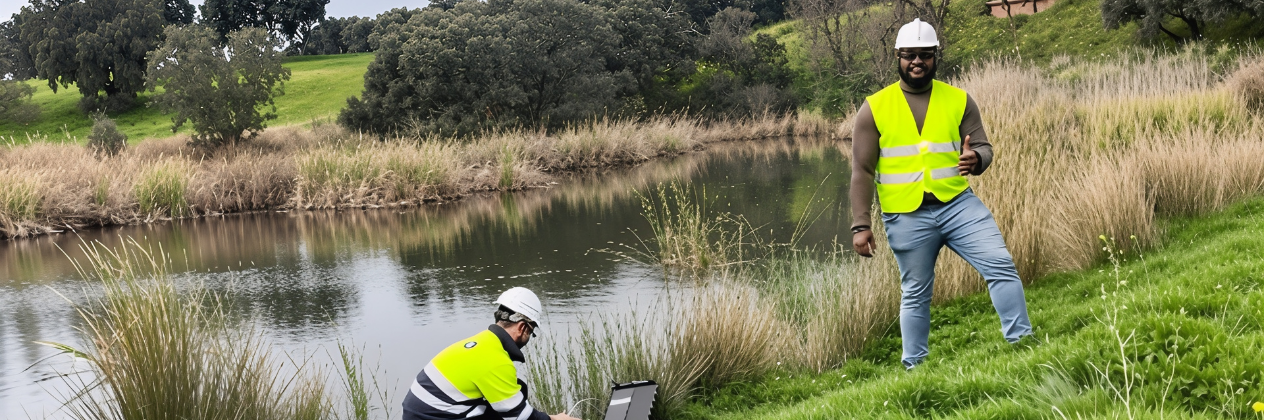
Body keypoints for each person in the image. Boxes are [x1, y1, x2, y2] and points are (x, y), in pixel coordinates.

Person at [848, 18, 1037, 370]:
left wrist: (976, 158)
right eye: (909, 55)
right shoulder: (874, 107)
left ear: (936, 56)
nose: (917, 61)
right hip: (906, 215)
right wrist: (861, 226)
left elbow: (984, 147)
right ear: (897, 56)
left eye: (925, 54)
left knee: (1001, 266)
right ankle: (914, 369)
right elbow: (862, 171)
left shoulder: (960, 100)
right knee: (915, 293)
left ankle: (1023, 344)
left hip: (958, 206)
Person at [402, 287, 580, 420]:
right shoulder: (496, 360)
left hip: (424, 415)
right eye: (531, 333)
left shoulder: (481, 342)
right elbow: (521, 418)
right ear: (522, 327)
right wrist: (555, 419)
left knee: (516, 392)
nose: (529, 339)